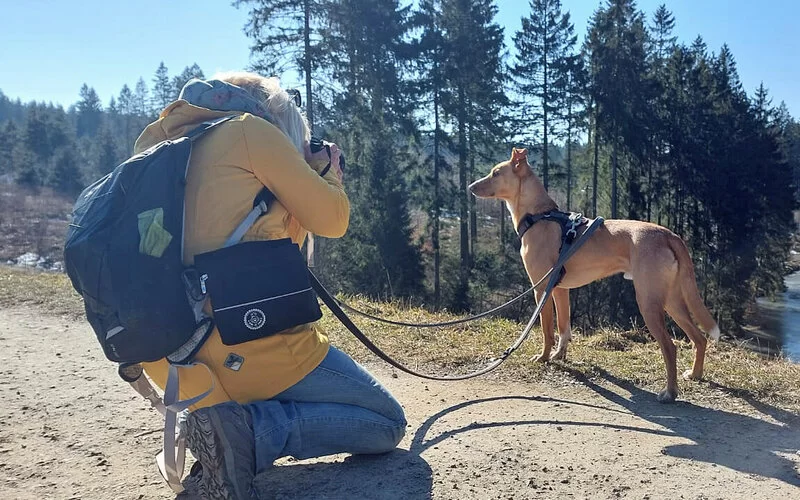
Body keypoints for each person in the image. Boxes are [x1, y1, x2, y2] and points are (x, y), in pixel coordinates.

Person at [134, 72, 406, 499]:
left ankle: (218, 422)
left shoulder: (159, 150)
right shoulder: (249, 133)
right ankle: (251, 433)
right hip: (250, 343)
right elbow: (332, 220)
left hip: (175, 358)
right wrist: (328, 173)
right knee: (387, 422)